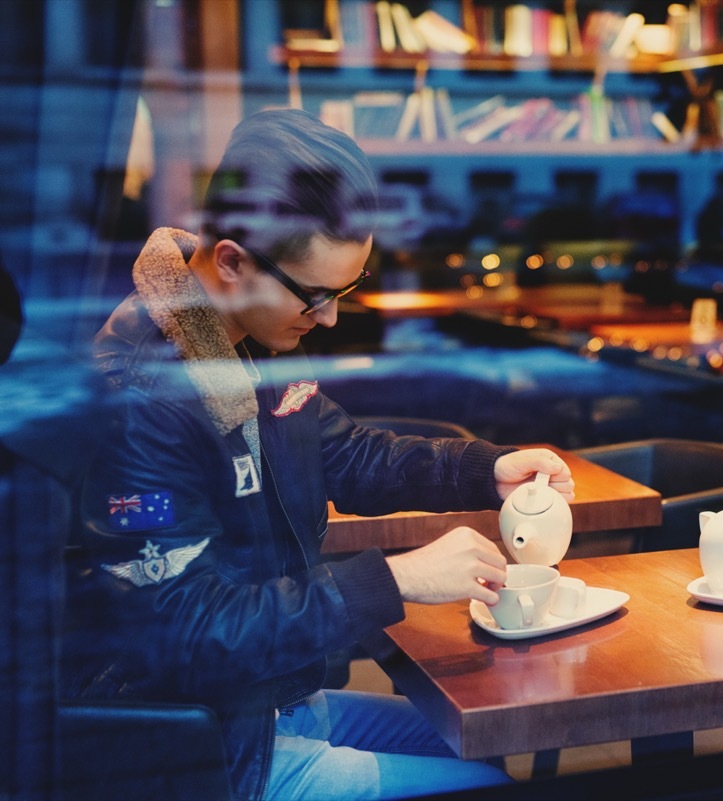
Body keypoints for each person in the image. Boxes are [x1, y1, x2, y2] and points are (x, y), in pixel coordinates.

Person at [63, 108, 574, 800]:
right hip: (204, 745)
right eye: (317, 294)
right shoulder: (141, 398)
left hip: (275, 703)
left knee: (488, 740)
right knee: (481, 781)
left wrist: (483, 467)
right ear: (233, 262)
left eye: (346, 289)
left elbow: (346, 452)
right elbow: (188, 630)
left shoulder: (244, 342)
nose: (329, 316)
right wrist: (394, 579)